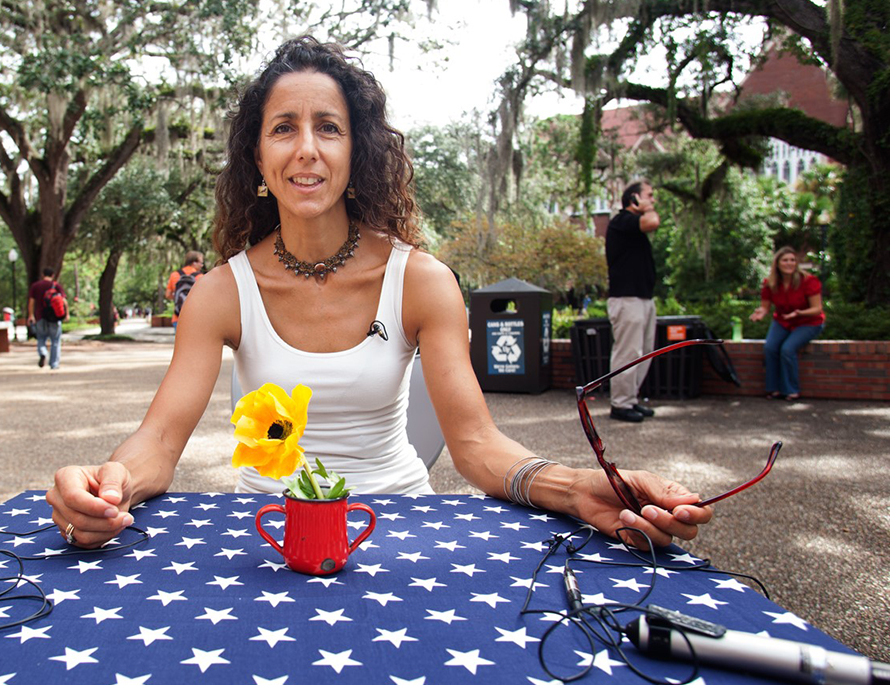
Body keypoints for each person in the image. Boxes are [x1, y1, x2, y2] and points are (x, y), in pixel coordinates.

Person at [47, 37, 711, 551]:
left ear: (355, 149)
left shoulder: (421, 280)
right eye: (284, 127)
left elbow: (476, 443)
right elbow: (160, 440)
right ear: (257, 156)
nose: (306, 149)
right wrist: (109, 485)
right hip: (268, 539)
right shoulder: (220, 293)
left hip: (396, 527)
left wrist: (574, 488)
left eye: (328, 127)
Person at [605, 180, 660, 423]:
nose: (653, 200)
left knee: (644, 352)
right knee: (628, 352)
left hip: (643, 299)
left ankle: (631, 399)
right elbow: (652, 222)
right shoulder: (622, 221)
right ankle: (620, 404)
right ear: (634, 198)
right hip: (627, 300)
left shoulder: (632, 226)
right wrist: (646, 208)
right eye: (649, 195)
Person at [749, 246, 825, 401]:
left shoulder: (808, 281)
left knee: (787, 349)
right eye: (785, 260)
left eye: (792, 260)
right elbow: (765, 307)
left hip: (808, 322)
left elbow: (817, 309)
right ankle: (773, 389)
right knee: (770, 348)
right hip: (783, 320)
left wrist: (798, 313)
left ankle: (791, 390)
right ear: (777, 264)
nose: (789, 263)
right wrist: (761, 312)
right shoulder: (770, 283)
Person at [28, 267, 67, 370]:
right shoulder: (56, 286)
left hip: (40, 316)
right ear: (53, 275)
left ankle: (43, 352)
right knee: (55, 341)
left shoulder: (35, 286)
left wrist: (31, 315)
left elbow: (31, 302)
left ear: (42, 274)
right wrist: (66, 314)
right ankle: (54, 364)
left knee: (41, 338)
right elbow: (64, 301)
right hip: (54, 317)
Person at [166, 251, 205, 326]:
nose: (202, 265)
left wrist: (179, 297)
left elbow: (168, 295)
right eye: (201, 263)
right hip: (195, 318)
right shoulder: (201, 277)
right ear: (194, 263)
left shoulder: (174, 275)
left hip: (178, 317)